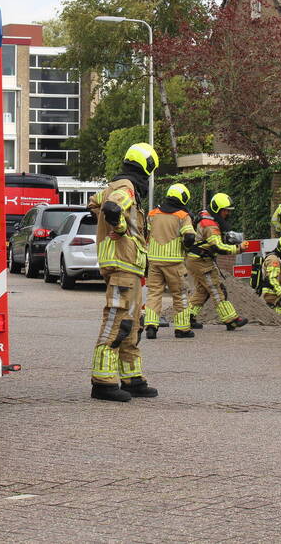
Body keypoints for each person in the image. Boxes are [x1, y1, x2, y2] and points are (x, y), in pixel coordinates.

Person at [87, 142, 159, 402]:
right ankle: (103, 382)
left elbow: (94, 204)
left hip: (129, 267)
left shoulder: (113, 186)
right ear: (147, 168)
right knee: (117, 321)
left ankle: (133, 379)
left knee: (132, 325)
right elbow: (110, 209)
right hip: (122, 264)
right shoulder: (126, 187)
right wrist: (118, 231)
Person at [185, 193, 251, 332]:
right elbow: (217, 247)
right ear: (217, 209)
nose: (227, 213)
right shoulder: (210, 225)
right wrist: (238, 248)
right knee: (216, 289)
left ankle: (188, 317)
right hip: (201, 260)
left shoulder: (206, 215)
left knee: (203, 291)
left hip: (195, 258)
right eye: (225, 210)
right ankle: (231, 319)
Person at [144, 183, 195, 340]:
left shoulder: (152, 214)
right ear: (182, 198)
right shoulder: (182, 216)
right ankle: (182, 329)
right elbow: (190, 237)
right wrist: (186, 248)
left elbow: (145, 234)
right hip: (174, 262)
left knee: (154, 293)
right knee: (180, 295)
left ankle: (151, 326)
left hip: (154, 261)